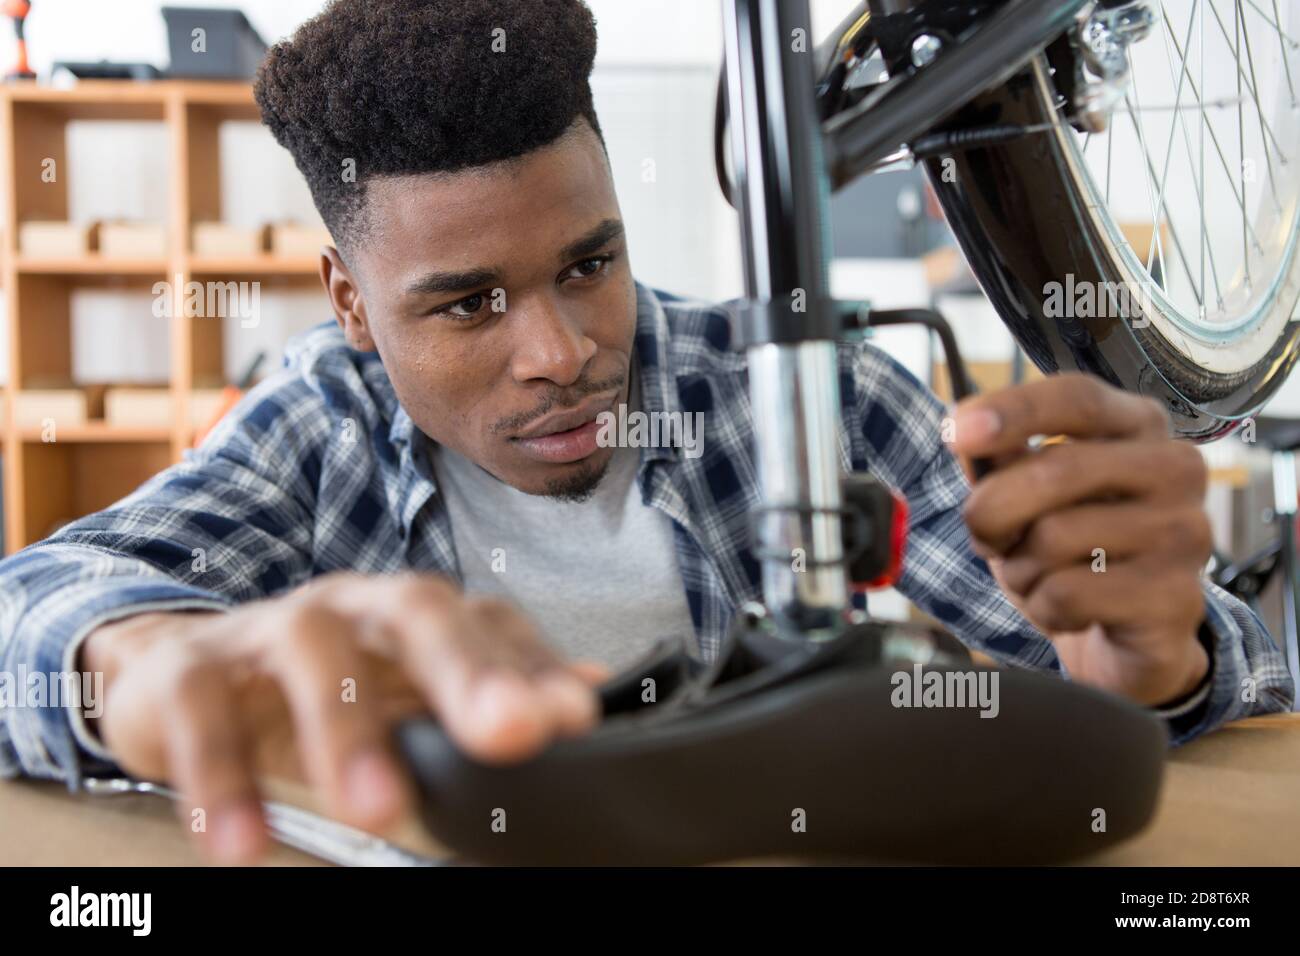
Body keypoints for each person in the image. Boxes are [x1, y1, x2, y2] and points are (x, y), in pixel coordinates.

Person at [0, 0, 1290, 864]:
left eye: (589, 262)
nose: (559, 351)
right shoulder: (320, 425)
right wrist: (143, 660)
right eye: (466, 305)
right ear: (350, 304)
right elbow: (42, 603)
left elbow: (1166, 678)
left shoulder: (813, 398)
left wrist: (1156, 662)